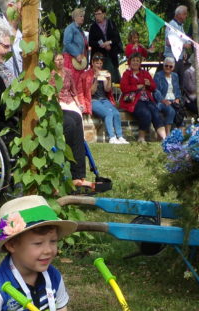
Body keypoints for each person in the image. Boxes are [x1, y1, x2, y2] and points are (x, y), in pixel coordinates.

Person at [53, 52, 92, 191]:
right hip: (57, 103)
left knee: (76, 117)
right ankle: (66, 163)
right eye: (57, 60)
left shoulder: (68, 72)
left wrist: (78, 105)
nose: (60, 62)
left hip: (69, 101)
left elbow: (74, 91)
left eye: (61, 59)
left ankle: (79, 175)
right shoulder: (50, 75)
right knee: (69, 123)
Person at [119, 52, 166, 143]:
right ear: (130, 62)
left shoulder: (145, 73)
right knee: (146, 113)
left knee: (156, 113)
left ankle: (164, 138)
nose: (135, 63)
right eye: (133, 60)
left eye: (137, 61)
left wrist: (149, 84)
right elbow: (124, 88)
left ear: (140, 62)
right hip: (134, 100)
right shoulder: (127, 74)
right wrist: (137, 87)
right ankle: (141, 137)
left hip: (147, 99)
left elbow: (153, 87)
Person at [89, 54, 126, 144]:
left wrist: (109, 79)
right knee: (108, 113)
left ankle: (120, 136)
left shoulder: (103, 73)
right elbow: (91, 92)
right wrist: (96, 79)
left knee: (116, 113)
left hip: (104, 99)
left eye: (100, 63)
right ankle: (112, 137)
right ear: (92, 63)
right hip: (93, 100)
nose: (99, 65)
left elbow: (107, 89)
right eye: (97, 63)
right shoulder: (88, 74)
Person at [88, 6, 122, 83]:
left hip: (112, 55)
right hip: (99, 56)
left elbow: (117, 38)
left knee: (112, 76)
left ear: (104, 14)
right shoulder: (93, 27)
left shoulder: (111, 23)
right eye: (95, 14)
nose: (97, 16)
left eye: (99, 14)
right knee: (100, 78)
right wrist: (101, 44)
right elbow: (91, 42)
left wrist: (109, 42)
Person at [154, 56, 183, 133]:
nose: (168, 68)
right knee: (171, 111)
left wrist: (177, 98)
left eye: (170, 66)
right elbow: (155, 90)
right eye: (166, 65)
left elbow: (177, 89)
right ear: (163, 66)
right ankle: (168, 134)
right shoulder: (158, 75)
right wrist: (163, 100)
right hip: (162, 100)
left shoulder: (175, 76)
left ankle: (181, 136)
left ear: (173, 67)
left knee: (181, 112)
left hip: (173, 100)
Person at [62, 8, 87, 82]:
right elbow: (67, 42)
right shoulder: (70, 28)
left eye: (83, 16)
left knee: (78, 83)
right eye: (81, 16)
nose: (83, 18)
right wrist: (77, 54)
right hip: (70, 60)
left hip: (78, 61)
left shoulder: (80, 29)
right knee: (71, 82)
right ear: (75, 17)